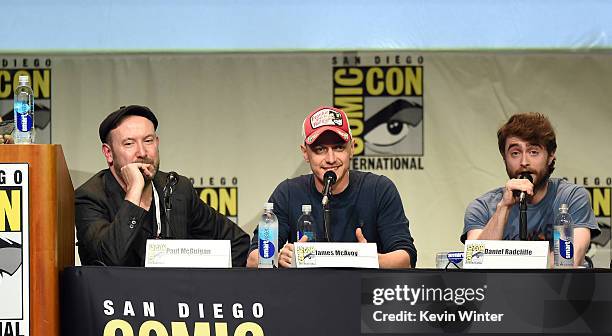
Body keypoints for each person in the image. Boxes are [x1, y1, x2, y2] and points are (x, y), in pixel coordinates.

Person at [75, 105, 250, 267]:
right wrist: (135, 191)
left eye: (148, 141)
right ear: (108, 153)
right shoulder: (90, 197)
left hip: (175, 297)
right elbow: (110, 259)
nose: (142, 152)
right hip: (120, 299)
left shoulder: (177, 188)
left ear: (157, 142)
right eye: (129, 143)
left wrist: (196, 283)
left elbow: (237, 243)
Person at [246, 106, 417, 269]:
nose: (330, 158)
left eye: (338, 147)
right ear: (305, 153)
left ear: (352, 148)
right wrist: (278, 257)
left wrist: (368, 258)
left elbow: (405, 258)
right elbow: (253, 258)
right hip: (303, 295)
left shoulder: (379, 189)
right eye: (320, 149)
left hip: (363, 295)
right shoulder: (288, 192)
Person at [461, 112, 599, 266]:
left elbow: (569, 262)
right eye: (515, 153)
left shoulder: (571, 198)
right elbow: (475, 263)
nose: (524, 162)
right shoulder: (483, 207)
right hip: (502, 290)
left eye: (533, 152)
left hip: (559, 289)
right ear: (504, 157)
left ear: (550, 156)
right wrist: (503, 207)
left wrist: (516, 258)